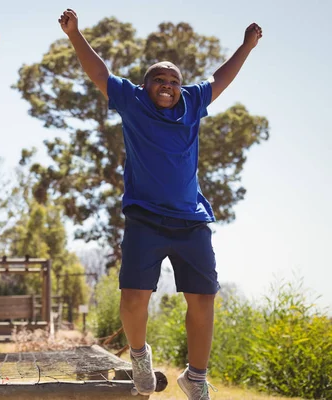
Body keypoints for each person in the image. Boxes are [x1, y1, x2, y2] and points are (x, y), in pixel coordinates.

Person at [58, 8, 261, 400]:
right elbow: (99, 72)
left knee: (203, 300)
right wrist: (75, 35)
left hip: (191, 222)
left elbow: (220, 76)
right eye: (159, 79)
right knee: (134, 298)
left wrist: (246, 46)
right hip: (145, 220)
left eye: (173, 80)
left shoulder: (193, 101)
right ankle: (139, 356)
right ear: (146, 84)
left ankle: (196, 378)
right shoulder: (132, 101)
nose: (167, 85)